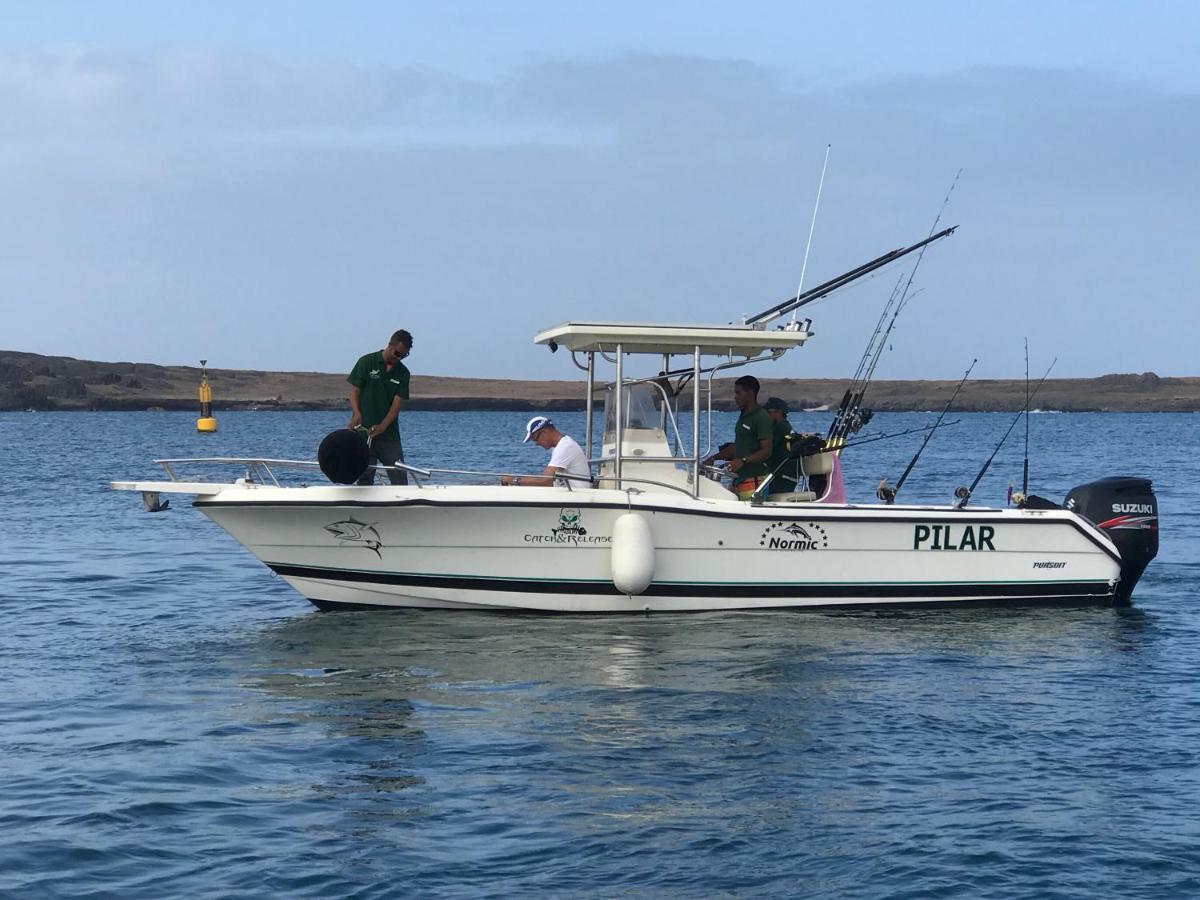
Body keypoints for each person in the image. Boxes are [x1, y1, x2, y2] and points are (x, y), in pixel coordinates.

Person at [347, 329, 412, 485]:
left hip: (389, 436)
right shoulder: (366, 362)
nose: (400, 358)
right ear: (390, 346)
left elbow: (396, 406)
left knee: (400, 480)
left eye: (404, 355)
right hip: (363, 434)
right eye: (398, 353)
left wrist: (382, 426)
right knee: (364, 480)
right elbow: (355, 391)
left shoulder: (403, 373)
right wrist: (356, 413)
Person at [703, 375, 773, 500]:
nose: (735, 397)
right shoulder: (744, 416)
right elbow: (738, 444)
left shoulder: (762, 417)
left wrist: (743, 461)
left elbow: (766, 450)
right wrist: (714, 458)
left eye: (738, 393)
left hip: (754, 483)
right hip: (738, 480)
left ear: (750, 393)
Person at [501, 416, 591, 487]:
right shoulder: (561, 445)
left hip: (576, 496)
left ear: (544, 432)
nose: (537, 444)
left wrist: (514, 480)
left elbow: (546, 480)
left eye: (536, 439)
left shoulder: (565, 447)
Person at [762, 396, 802, 495]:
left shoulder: (781, 428)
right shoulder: (784, 427)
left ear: (778, 413)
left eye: (768, 412)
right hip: (783, 474)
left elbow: (765, 449)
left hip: (782, 476)